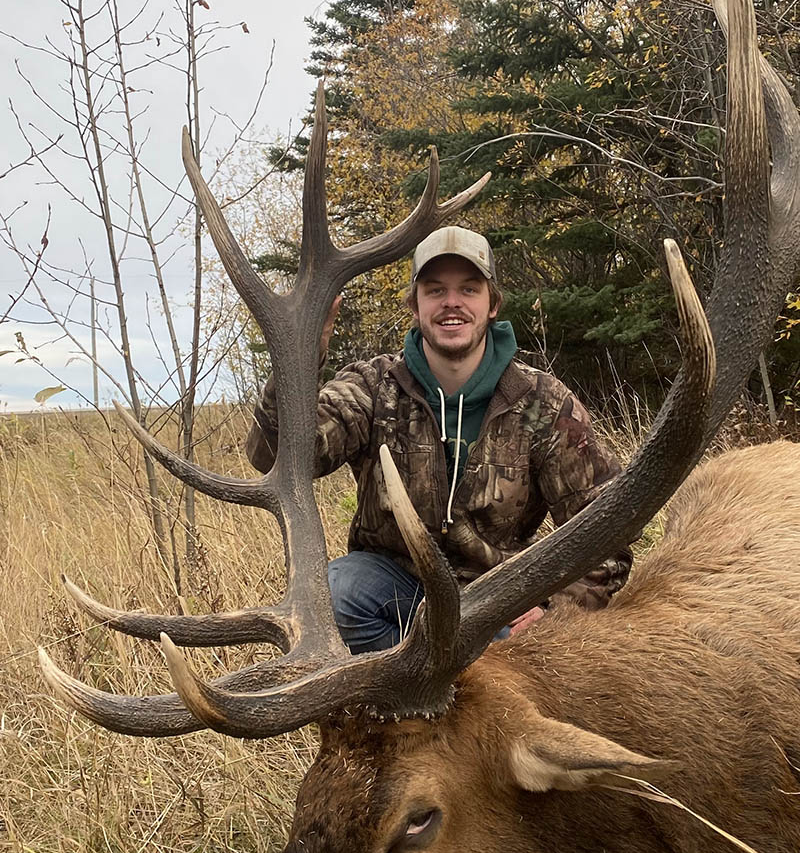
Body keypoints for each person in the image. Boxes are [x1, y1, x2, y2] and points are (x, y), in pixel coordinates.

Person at [246, 226, 631, 654]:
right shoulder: (375, 389)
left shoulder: (541, 402)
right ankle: (406, 695)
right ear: (415, 306)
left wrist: (556, 611)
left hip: (497, 605)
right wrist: (299, 357)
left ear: (492, 305)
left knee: (543, 654)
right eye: (435, 290)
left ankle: (454, 700)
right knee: (339, 592)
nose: (452, 303)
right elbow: (276, 453)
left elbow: (605, 528)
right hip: (394, 593)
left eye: (468, 289)